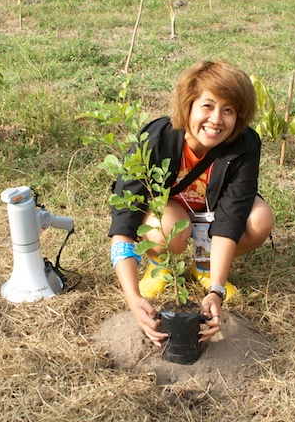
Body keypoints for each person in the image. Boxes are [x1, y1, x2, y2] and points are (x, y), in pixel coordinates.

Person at [108, 60, 274, 346]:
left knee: (260, 218)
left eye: (229, 110)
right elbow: (123, 222)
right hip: (174, 214)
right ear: (188, 106)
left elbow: (232, 216)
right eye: (207, 106)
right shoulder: (155, 140)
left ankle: (205, 265)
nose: (216, 119)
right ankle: (162, 266)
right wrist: (133, 299)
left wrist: (216, 291)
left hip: (213, 215)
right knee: (166, 227)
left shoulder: (245, 144)